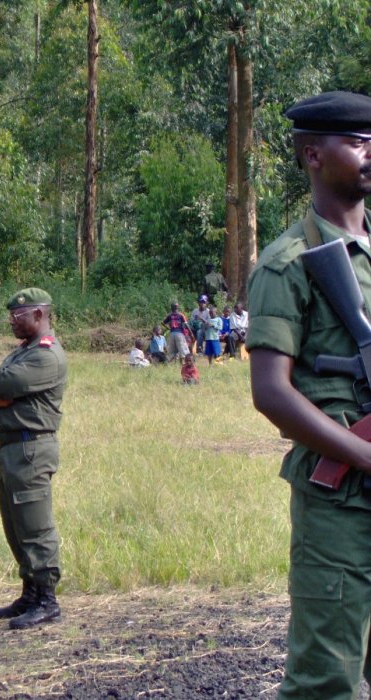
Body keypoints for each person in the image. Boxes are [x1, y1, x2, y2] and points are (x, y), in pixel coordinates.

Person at [248, 90, 371, 699]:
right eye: (358, 142)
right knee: (327, 676)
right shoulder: (286, 264)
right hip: (343, 505)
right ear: (313, 155)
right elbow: (271, 393)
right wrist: (364, 453)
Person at [0, 288, 67, 630]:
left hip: (31, 449)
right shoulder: (25, 352)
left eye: (18, 316)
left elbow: (1, 384)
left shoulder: (46, 355)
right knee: (16, 526)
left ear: (40, 315)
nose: (11, 321)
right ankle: (30, 592)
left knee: (35, 525)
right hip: (12, 448)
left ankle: (47, 598)